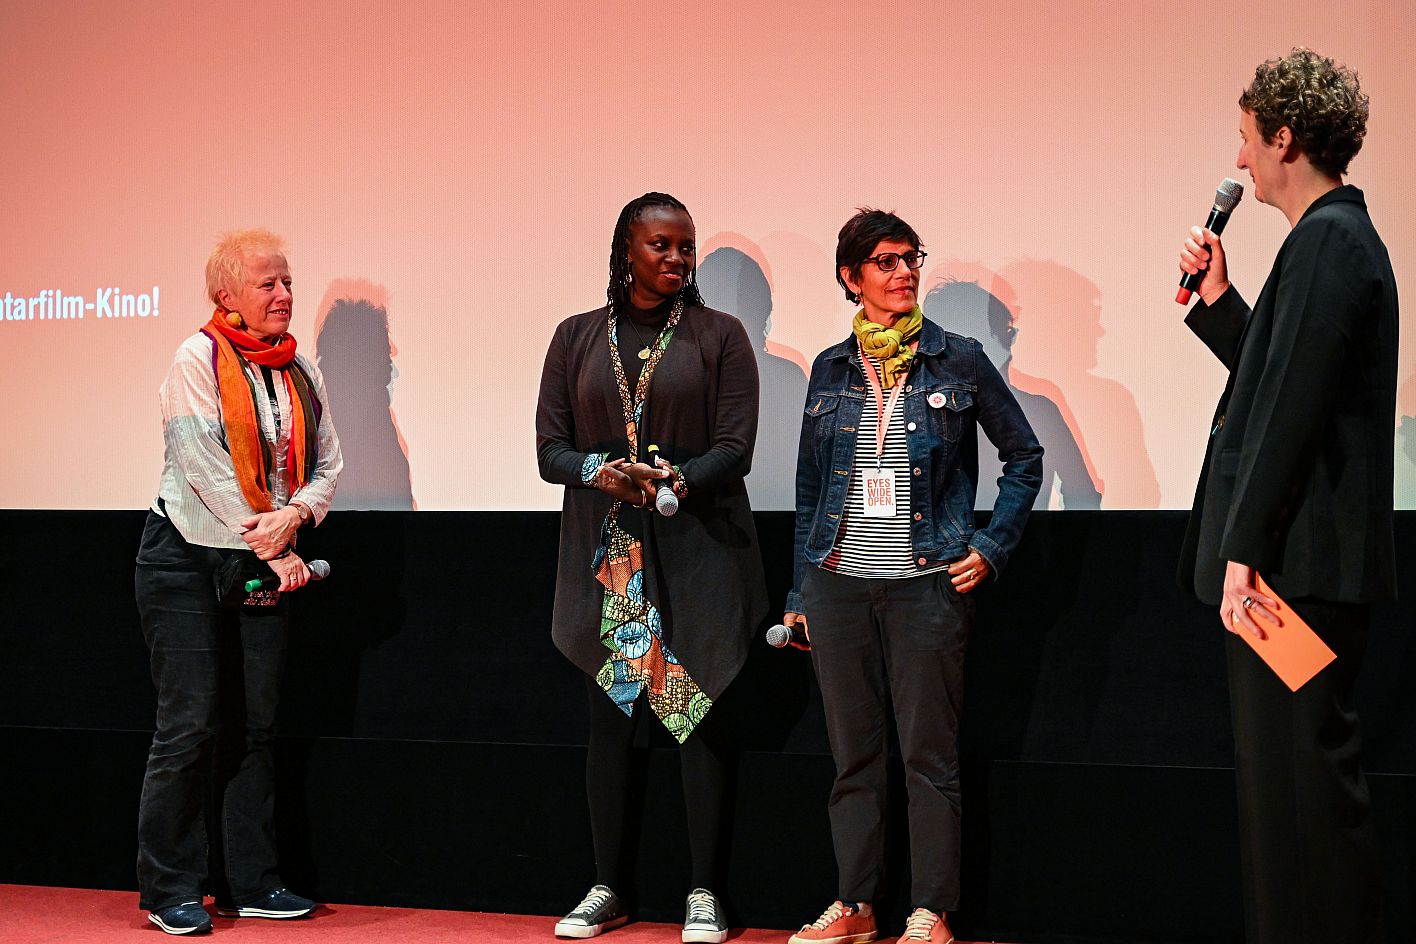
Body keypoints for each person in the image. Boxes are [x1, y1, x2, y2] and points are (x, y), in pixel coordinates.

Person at [1177, 48, 1394, 944]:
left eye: (1246, 139)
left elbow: (1291, 412)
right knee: (1289, 793)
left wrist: (1244, 550)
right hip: (1295, 564)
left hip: (1291, 571)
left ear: (1284, 138)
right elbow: (1283, 381)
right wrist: (1223, 305)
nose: (1240, 159)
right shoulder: (1330, 241)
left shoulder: (1329, 241)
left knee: (1302, 795)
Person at [785, 210, 1042, 944]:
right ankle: (856, 905)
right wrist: (800, 594)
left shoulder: (959, 360)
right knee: (853, 757)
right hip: (838, 586)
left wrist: (991, 547)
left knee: (929, 756)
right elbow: (811, 489)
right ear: (851, 278)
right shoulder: (830, 368)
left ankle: (931, 910)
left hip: (927, 584)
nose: (904, 273)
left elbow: (1024, 457)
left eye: (910, 259)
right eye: (886, 262)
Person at [536, 193, 768, 943]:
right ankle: (609, 886)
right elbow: (550, 451)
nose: (676, 259)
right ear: (626, 251)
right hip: (612, 564)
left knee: (694, 716)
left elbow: (736, 446)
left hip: (698, 557)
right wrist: (603, 472)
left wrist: (676, 481)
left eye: (685, 247)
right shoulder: (576, 337)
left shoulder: (718, 335)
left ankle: (704, 892)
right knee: (612, 723)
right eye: (661, 245)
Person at [135, 229, 342, 935]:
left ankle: (250, 883)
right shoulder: (195, 360)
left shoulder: (300, 369)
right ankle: (171, 888)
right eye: (267, 284)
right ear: (227, 295)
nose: (283, 295)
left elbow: (328, 464)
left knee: (256, 726)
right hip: (184, 558)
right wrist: (274, 546)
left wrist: (296, 516)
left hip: (261, 552)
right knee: (188, 723)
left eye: (288, 282)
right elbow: (204, 468)